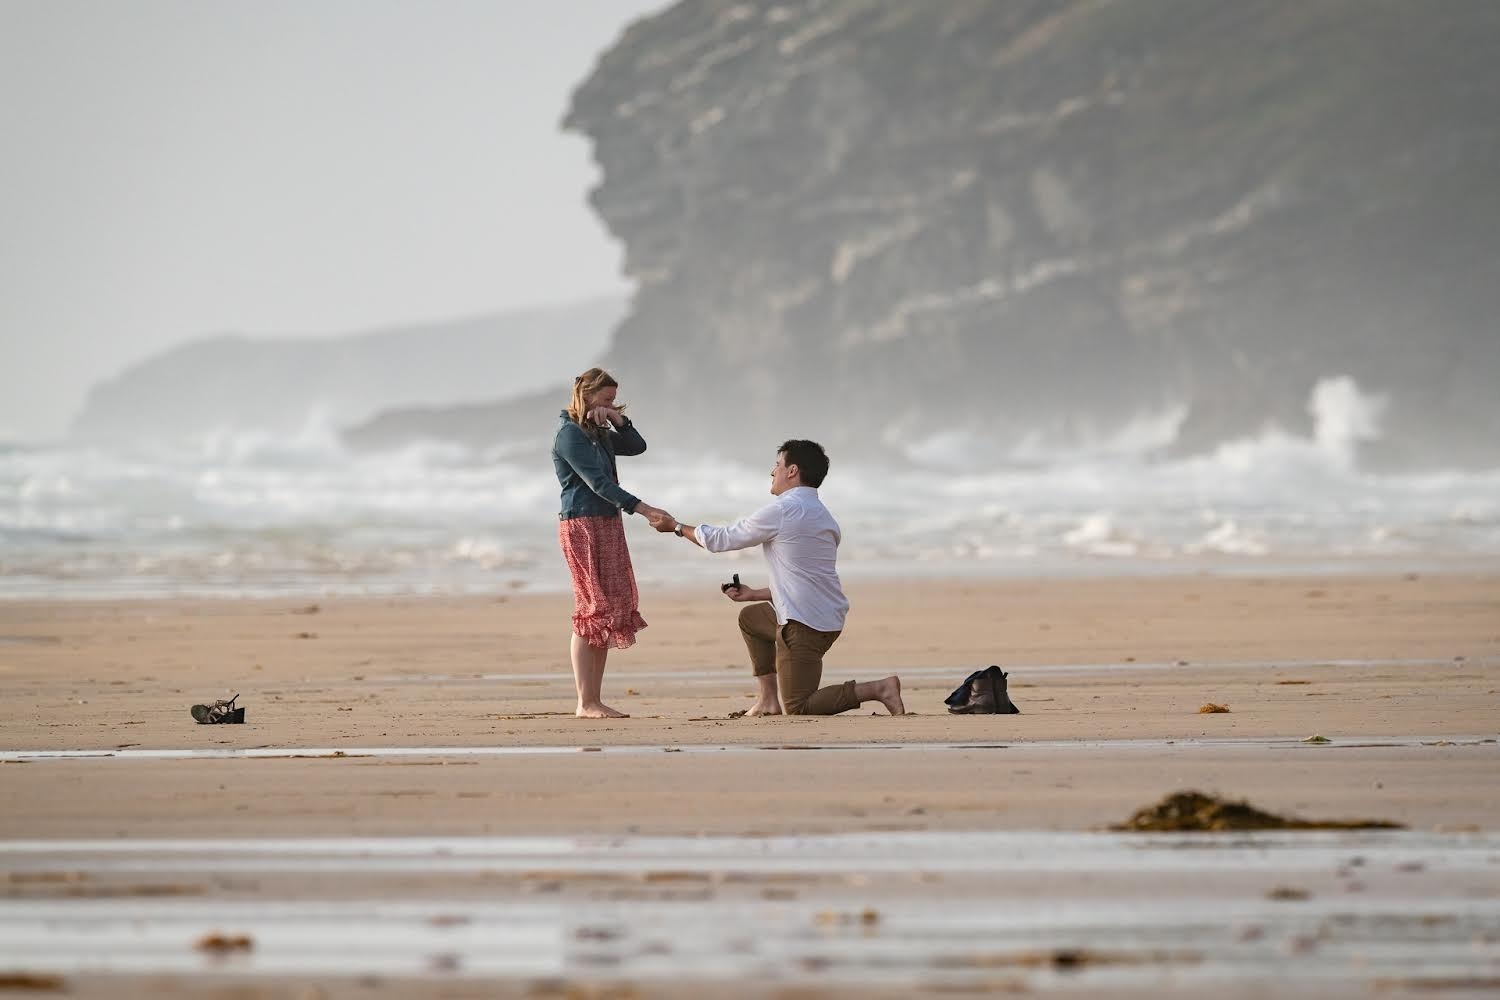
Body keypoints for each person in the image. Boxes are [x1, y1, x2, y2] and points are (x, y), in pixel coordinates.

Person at [651, 440, 904, 717]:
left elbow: (722, 540)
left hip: (804, 624)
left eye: (777, 465)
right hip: (823, 615)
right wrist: (754, 594)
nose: (772, 472)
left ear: (792, 470)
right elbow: (805, 581)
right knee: (751, 618)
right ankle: (768, 701)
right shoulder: (824, 516)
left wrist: (675, 526)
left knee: (799, 706)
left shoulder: (784, 510)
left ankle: (879, 689)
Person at [552, 367, 668, 719]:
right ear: (586, 396)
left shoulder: (597, 433)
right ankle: (584, 701)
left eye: (614, 401)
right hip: (582, 525)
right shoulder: (570, 435)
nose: (610, 405)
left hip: (607, 523)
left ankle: (594, 700)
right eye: (606, 400)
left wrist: (618, 419)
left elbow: (637, 446)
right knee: (591, 609)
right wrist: (645, 509)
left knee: (607, 612)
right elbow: (598, 482)